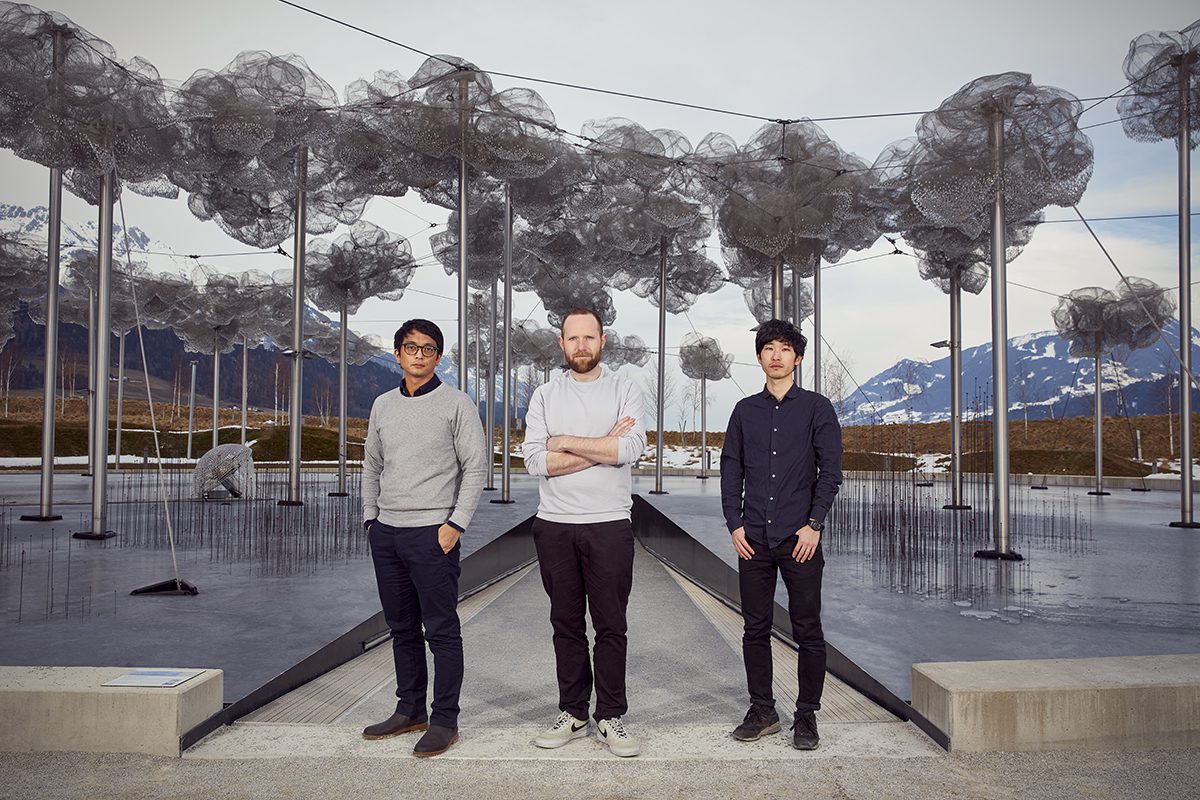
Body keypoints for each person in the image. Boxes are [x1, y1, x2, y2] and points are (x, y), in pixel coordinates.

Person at [521, 307, 647, 758]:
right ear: (561, 344)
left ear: (602, 340)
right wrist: (601, 446)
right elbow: (535, 460)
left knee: (611, 624)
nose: (581, 346)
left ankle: (611, 715)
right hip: (555, 525)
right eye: (572, 338)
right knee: (566, 624)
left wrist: (565, 441)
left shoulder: (624, 388)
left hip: (610, 523)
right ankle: (573, 712)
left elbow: (632, 447)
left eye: (588, 338)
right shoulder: (544, 395)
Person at [360, 318, 488, 758]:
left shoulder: (457, 404)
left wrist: (456, 524)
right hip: (387, 534)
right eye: (410, 347)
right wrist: (369, 519)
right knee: (401, 629)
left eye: (427, 348)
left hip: (434, 534)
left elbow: (476, 466)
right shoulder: (382, 405)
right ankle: (409, 709)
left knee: (442, 631)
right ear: (397, 354)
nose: (418, 354)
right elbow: (371, 464)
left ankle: (444, 720)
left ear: (438, 357)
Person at [720, 318, 843, 750]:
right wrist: (734, 524)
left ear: (798, 357)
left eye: (785, 349)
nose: (776, 355)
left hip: (800, 540)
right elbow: (730, 469)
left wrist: (815, 526)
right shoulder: (743, 411)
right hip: (753, 538)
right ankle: (763, 709)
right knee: (755, 628)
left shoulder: (817, 409)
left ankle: (806, 716)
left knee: (808, 629)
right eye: (768, 348)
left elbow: (831, 473)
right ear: (758, 358)